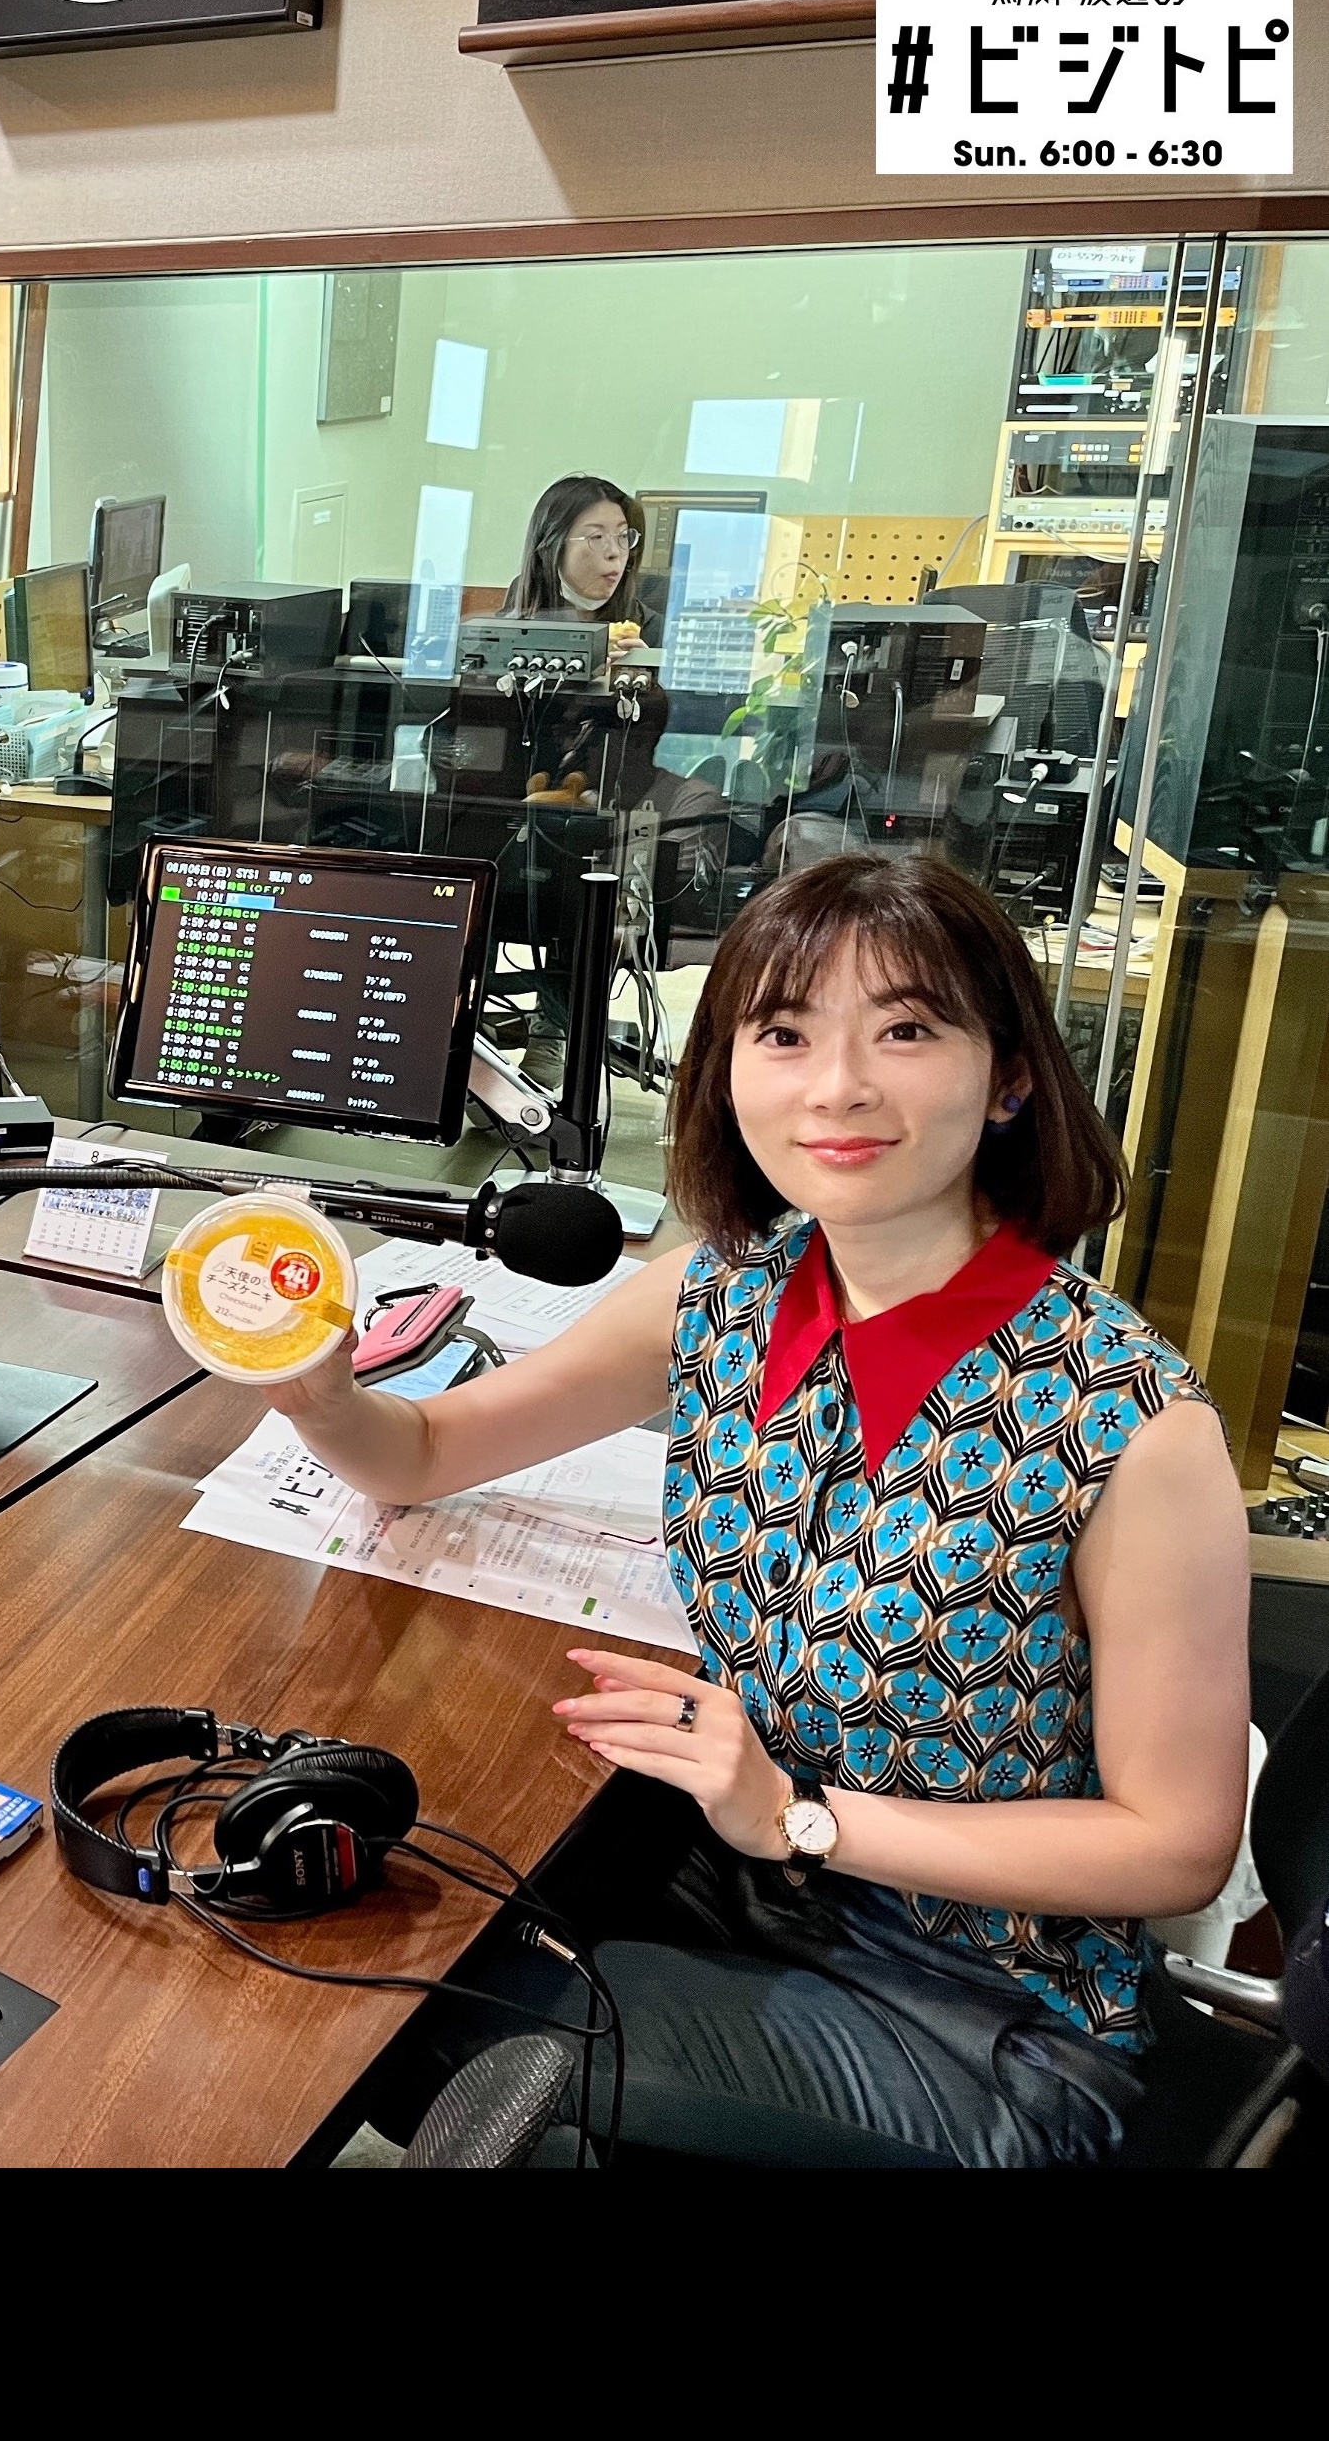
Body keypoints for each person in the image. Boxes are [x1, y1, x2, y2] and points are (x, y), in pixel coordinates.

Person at [275, 851, 1250, 2165]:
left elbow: (1175, 1847)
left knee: (418, 2029)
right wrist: (316, 1391)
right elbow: (424, 1450)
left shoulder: (1127, 1419)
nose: (835, 1085)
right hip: (729, 1879)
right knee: (356, 1928)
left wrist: (797, 1813)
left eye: (905, 1030)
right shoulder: (724, 1288)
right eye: (782, 1033)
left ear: (1009, 1076)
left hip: (971, 2001)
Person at [500, 475, 657, 648]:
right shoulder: (514, 623)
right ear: (550, 548)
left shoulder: (653, 631)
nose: (614, 552)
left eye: (623, 536)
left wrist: (647, 663)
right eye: (597, 537)